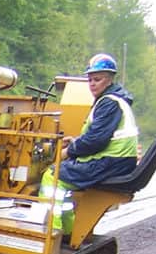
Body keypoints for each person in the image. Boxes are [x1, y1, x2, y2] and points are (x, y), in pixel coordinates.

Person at [40, 53, 139, 233]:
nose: (92, 84)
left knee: (52, 175)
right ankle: (69, 231)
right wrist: (77, 141)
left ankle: (50, 232)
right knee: (67, 180)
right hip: (117, 160)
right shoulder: (114, 99)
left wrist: (68, 151)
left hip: (111, 161)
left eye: (98, 79)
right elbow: (101, 136)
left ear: (109, 80)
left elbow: (96, 141)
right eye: (90, 79)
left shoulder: (109, 102)